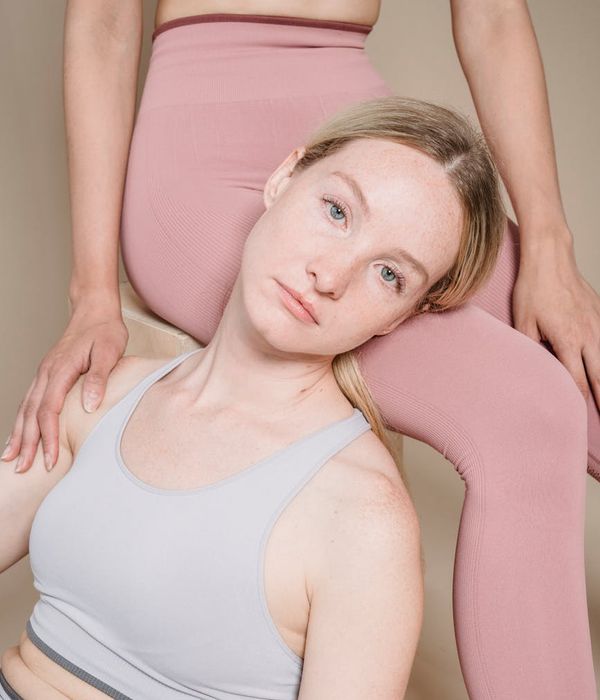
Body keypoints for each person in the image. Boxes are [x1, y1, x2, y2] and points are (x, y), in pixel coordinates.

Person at [2, 2, 599, 698]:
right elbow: (104, 19)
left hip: (369, 125)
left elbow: (493, 15)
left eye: (387, 277)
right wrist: (94, 292)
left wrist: (552, 247)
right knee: (531, 411)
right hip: (203, 130)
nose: (332, 275)